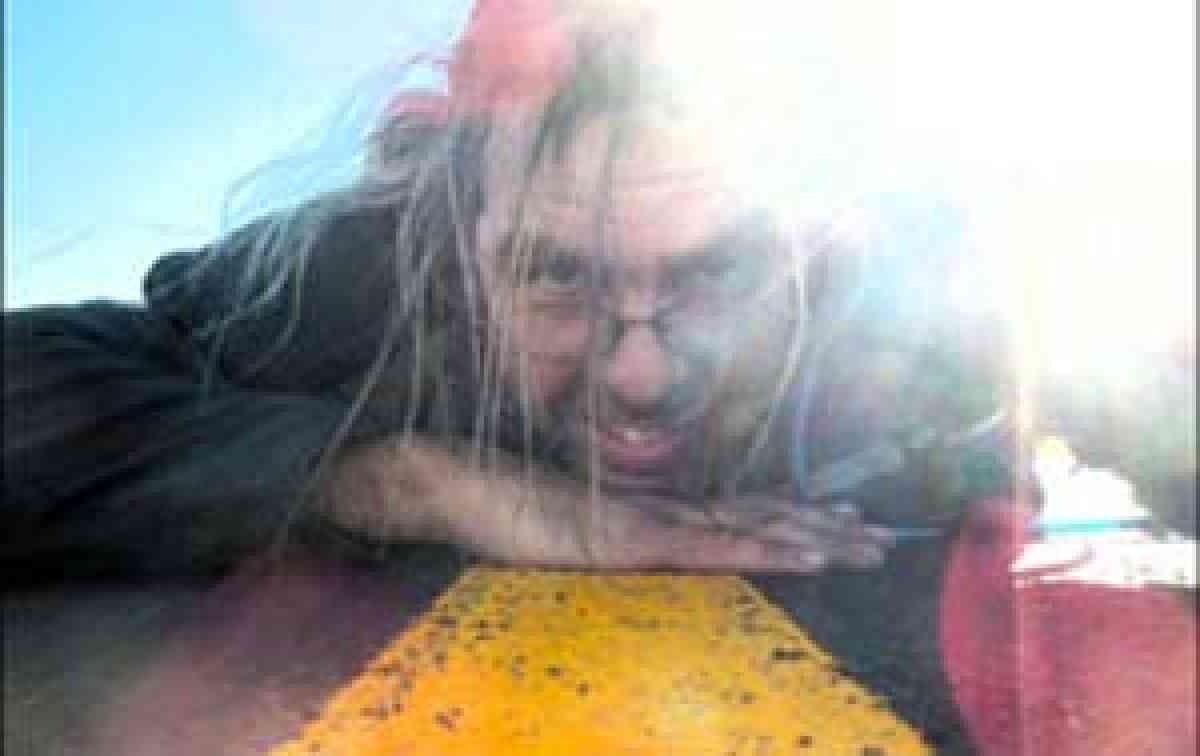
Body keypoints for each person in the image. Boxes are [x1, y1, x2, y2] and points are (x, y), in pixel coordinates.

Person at [3, 0, 1008, 579]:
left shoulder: (904, 312)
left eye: (717, 270)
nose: (643, 378)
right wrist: (408, 479)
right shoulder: (359, 278)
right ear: (459, 230)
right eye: (558, 274)